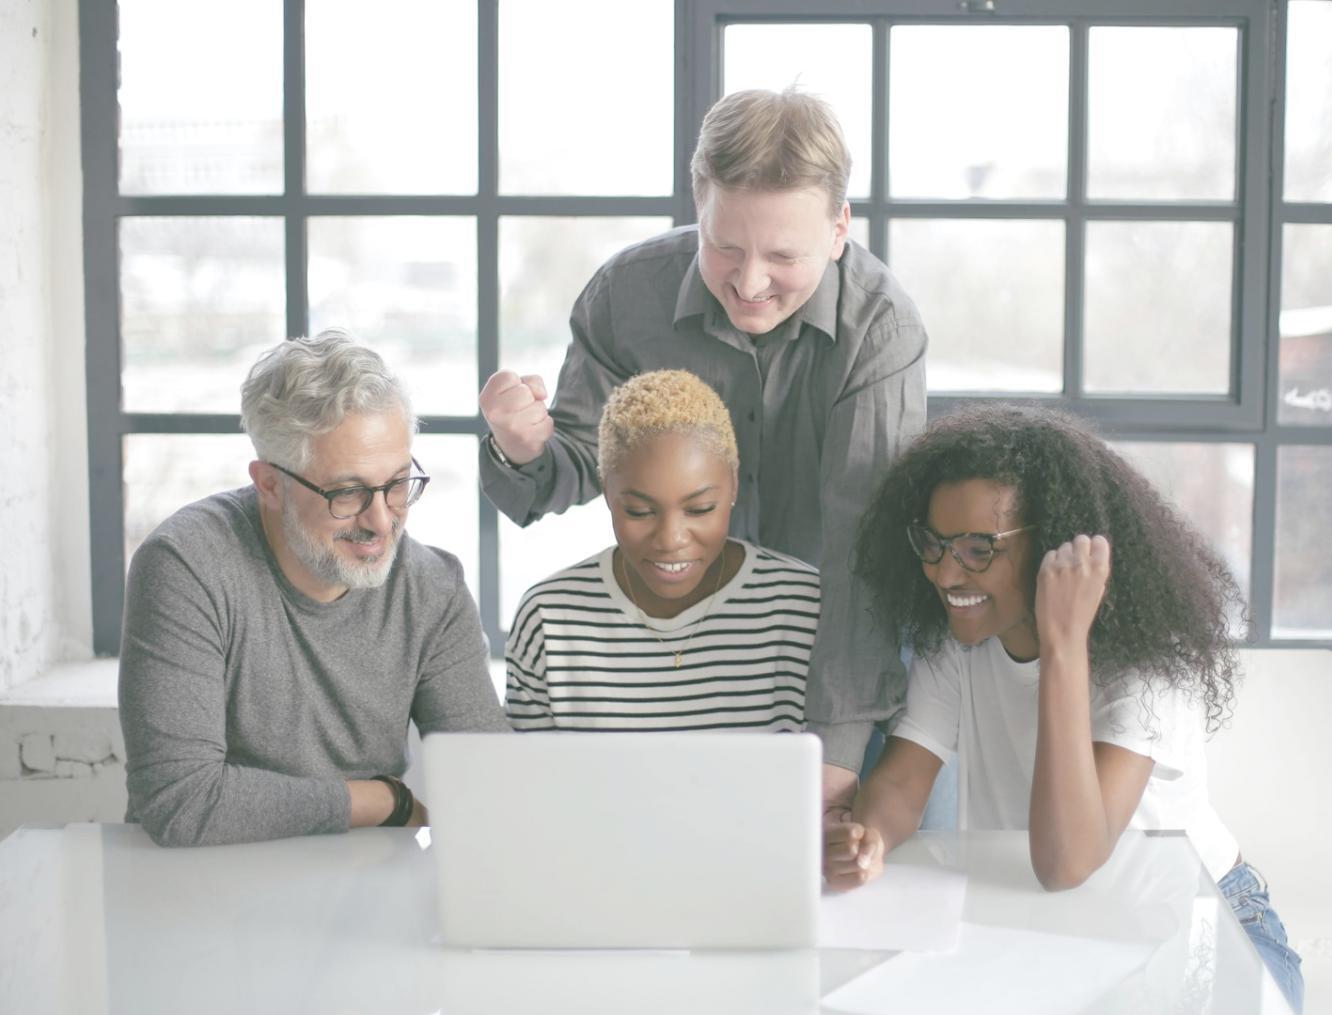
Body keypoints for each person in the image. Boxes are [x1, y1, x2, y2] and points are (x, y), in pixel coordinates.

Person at [478, 89, 927, 797]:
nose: (748, 282)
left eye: (782, 254)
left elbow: (863, 550)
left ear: (839, 228)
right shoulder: (626, 297)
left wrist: (836, 761)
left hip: (832, 654)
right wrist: (522, 446)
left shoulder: (881, 328)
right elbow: (573, 468)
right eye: (724, 246)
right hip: (678, 655)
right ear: (698, 203)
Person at [824, 405, 1304, 1013]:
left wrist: (1062, 643)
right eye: (935, 543)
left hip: (1208, 924)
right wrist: (867, 838)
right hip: (1054, 929)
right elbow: (901, 785)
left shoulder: (1146, 664)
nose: (946, 572)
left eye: (978, 548)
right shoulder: (956, 643)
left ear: (1054, 546)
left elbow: (1068, 860)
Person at [118, 331, 508, 848]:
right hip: (199, 886)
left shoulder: (431, 587)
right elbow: (182, 801)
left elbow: (491, 785)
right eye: (347, 493)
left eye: (396, 484)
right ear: (270, 485)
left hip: (361, 889)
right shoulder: (187, 566)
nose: (380, 521)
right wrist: (386, 801)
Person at [503, 370, 818, 732]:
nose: (670, 539)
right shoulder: (549, 619)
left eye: (700, 509)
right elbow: (526, 781)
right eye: (639, 511)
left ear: (733, 486)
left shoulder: (801, 607)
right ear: (607, 492)